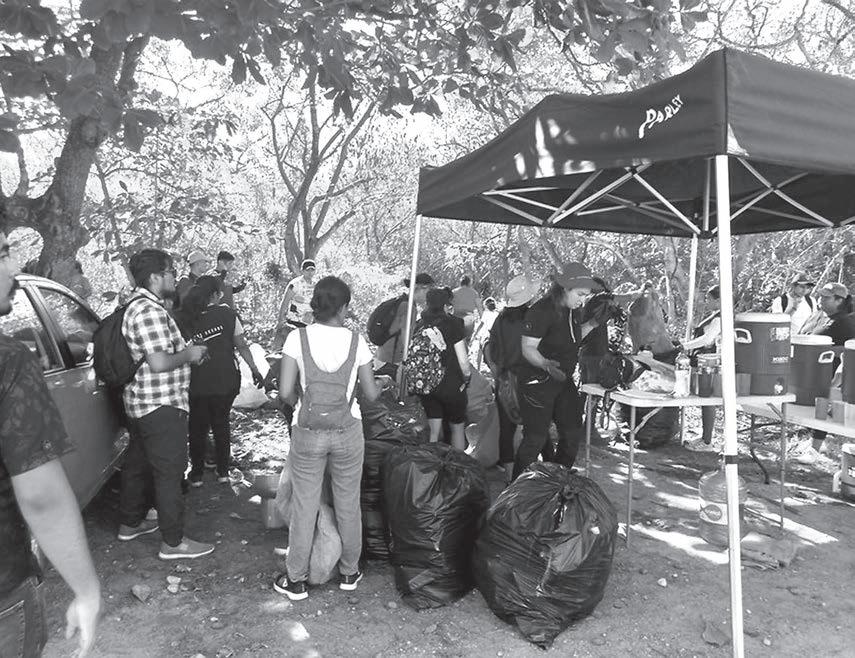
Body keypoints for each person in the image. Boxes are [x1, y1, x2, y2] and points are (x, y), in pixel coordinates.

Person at [0, 232, 101, 657]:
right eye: (3, 254)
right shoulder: (10, 361)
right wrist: (86, 590)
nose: (14, 267)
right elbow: (41, 498)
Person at [273, 276, 382, 601]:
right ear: (344, 307)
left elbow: (284, 391)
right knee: (348, 503)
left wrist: (303, 406)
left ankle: (296, 579)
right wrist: (381, 384)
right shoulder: (357, 342)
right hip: (348, 431)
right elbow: (371, 394)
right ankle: (349, 571)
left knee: (305, 505)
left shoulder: (297, 338)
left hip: (307, 432)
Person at [118, 248, 214, 560]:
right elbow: (158, 362)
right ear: (155, 277)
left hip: (142, 402)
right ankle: (173, 543)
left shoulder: (139, 306)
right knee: (170, 472)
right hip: (160, 404)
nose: (175, 276)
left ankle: (130, 523)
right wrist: (190, 354)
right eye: (170, 271)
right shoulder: (149, 311)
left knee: (138, 464)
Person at [515, 262, 601, 479]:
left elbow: (572, 339)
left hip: (563, 379)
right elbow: (528, 347)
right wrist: (544, 363)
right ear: (565, 289)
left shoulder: (573, 311)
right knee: (535, 438)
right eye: (580, 294)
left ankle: (556, 481)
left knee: (572, 432)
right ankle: (516, 490)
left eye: (586, 296)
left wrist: (593, 323)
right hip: (536, 380)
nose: (583, 300)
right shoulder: (541, 311)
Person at [176, 276, 265, 486]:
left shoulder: (184, 318)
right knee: (221, 423)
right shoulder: (228, 314)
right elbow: (241, 345)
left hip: (197, 381)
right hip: (226, 379)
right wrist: (255, 369)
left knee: (197, 427)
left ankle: (196, 474)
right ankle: (223, 472)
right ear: (215, 294)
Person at [485, 275, 539, 481]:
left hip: (505, 381)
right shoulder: (533, 319)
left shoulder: (501, 319)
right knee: (534, 430)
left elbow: (491, 348)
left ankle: (509, 478)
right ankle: (528, 475)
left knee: (506, 430)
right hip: (529, 381)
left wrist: (496, 369)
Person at [413, 288, 471, 450]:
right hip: (452, 384)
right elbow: (463, 360)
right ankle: (457, 463)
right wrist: (467, 377)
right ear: (446, 305)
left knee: (434, 431)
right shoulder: (454, 324)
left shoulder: (420, 325)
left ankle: (432, 461)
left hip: (427, 385)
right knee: (457, 427)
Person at [807, 282, 855, 457]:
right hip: (810, 370)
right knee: (809, 409)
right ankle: (816, 445)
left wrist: (825, 351)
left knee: (823, 409)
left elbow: (850, 349)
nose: (821, 299)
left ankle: (814, 450)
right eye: (820, 296)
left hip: (831, 374)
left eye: (826, 297)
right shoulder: (818, 316)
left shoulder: (845, 322)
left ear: (839, 300)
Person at [681, 285, 722, 449]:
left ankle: (707, 441)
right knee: (705, 400)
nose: (707, 302)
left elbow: (707, 339)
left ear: (718, 300)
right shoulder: (715, 316)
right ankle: (705, 437)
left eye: (709, 299)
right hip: (702, 361)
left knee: (708, 399)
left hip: (709, 362)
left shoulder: (720, 318)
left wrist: (685, 346)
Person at [374, 272, 435, 373]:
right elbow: (405, 336)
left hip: (383, 354)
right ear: (422, 288)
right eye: (429, 290)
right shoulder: (409, 308)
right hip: (391, 359)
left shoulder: (402, 302)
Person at [272, 259, 317, 351]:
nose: (310, 273)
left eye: (312, 270)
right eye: (307, 270)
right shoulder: (295, 284)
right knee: (290, 347)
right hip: (294, 320)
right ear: (302, 271)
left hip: (308, 322)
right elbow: (285, 301)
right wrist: (280, 320)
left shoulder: (316, 285)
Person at [452, 275, 483, 340]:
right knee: (467, 340)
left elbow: (448, 305)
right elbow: (479, 307)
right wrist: (482, 318)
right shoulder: (474, 293)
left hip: (456, 318)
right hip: (469, 318)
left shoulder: (454, 292)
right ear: (469, 283)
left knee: (456, 340)